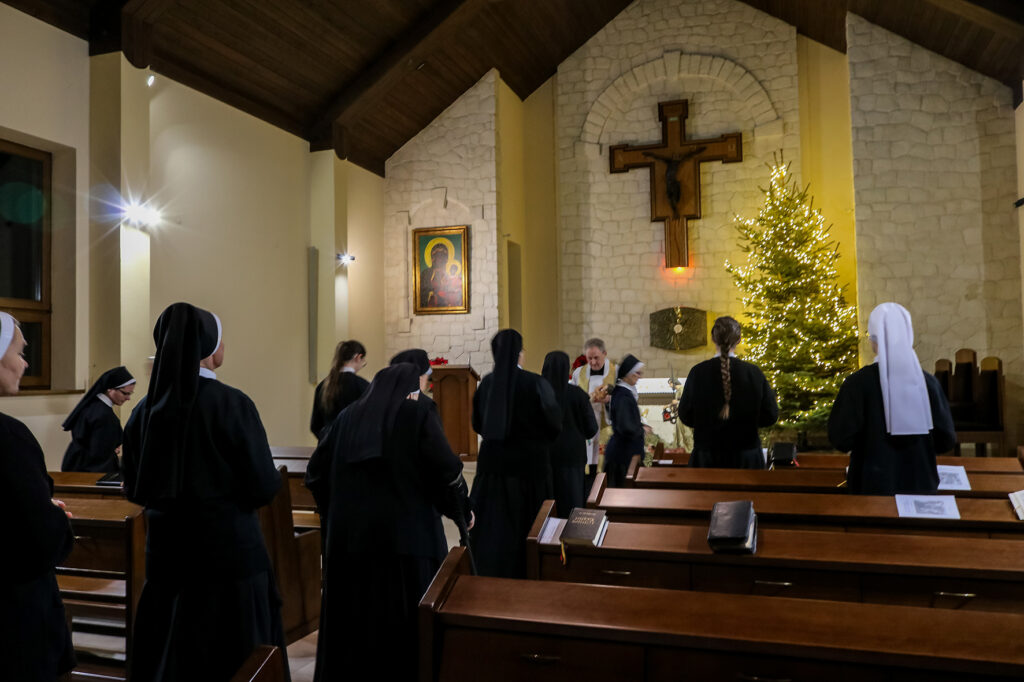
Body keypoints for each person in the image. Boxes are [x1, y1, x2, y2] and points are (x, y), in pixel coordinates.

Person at [121, 302, 289, 681]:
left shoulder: (143, 412)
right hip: (230, 562)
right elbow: (263, 485)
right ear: (209, 347)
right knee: (236, 661)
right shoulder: (233, 404)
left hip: (167, 561)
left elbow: (134, 486)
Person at [305, 363, 472, 681]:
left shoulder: (346, 418)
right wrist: (462, 511)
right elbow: (446, 471)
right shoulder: (415, 414)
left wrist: (339, 513)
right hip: (406, 547)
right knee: (403, 635)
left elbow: (315, 474)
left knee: (360, 630)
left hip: (351, 548)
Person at [0, 312, 76, 682]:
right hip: (11, 622)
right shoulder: (8, 438)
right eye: (18, 352)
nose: (25, 364)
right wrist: (55, 518)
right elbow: (39, 537)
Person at [829, 302, 956, 494]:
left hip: (870, 488)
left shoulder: (857, 384)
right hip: (921, 485)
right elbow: (946, 440)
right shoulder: (928, 383)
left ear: (873, 341)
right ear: (909, 336)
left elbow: (841, 438)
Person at [470, 329, 560, 578]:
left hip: (493, 467)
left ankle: (491, 569)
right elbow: (553, 423)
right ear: (520, 353)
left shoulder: (487, 383)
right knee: (529, 525)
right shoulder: (535, 383)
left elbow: (477, 423)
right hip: (530, 468)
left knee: (494, 525)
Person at [678, 316, 778, 468]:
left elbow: (685, 414)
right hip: (746, 459)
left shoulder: (698, 373)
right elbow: (771, 415)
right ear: (738, 340)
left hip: (707, 457)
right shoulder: (753, 373)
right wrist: (746, 423)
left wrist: (706, 423)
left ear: (713, 338)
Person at [542, 351, 598, 516]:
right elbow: (591, 429)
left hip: (544, 458)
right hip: (572, 459)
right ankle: (569, 540)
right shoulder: (578, 395)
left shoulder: (538, 393)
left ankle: (544, 540)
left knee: (546, 509)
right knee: (572, 508)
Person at [60, 366, 136, 473]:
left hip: (75, 464)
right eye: (125, 393)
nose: (128, 398)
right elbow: (99, 457)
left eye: (130, 394)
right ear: (110, 389)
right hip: (90, 472)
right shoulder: (103, 415)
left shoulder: (92, 406)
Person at [570, 338, 616, 493]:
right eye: (589, 358)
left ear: (604, 354)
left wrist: (609, 400)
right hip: (586, 427)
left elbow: (628, 397)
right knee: (588, 472)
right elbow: (573, 398)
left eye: (596, 357)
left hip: (607, 426)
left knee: (604, 472)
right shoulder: (578, 373)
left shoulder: (616, 371)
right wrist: (587, 399)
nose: (593, 362)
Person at [310, 340, 368, 439]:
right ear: (358, 357)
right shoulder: (362, 386)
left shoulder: (322, 386)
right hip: (354, 448)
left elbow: (315, 426)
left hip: (328, 450)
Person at [603, 354, 646, 487]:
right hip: (622, 455)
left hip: (623, 453)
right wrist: (642, 429)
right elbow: (626, 426)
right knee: (621, 496)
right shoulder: (623, 395)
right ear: (628, 374)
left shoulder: (623, 392)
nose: (639, 376)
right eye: (637, 373)